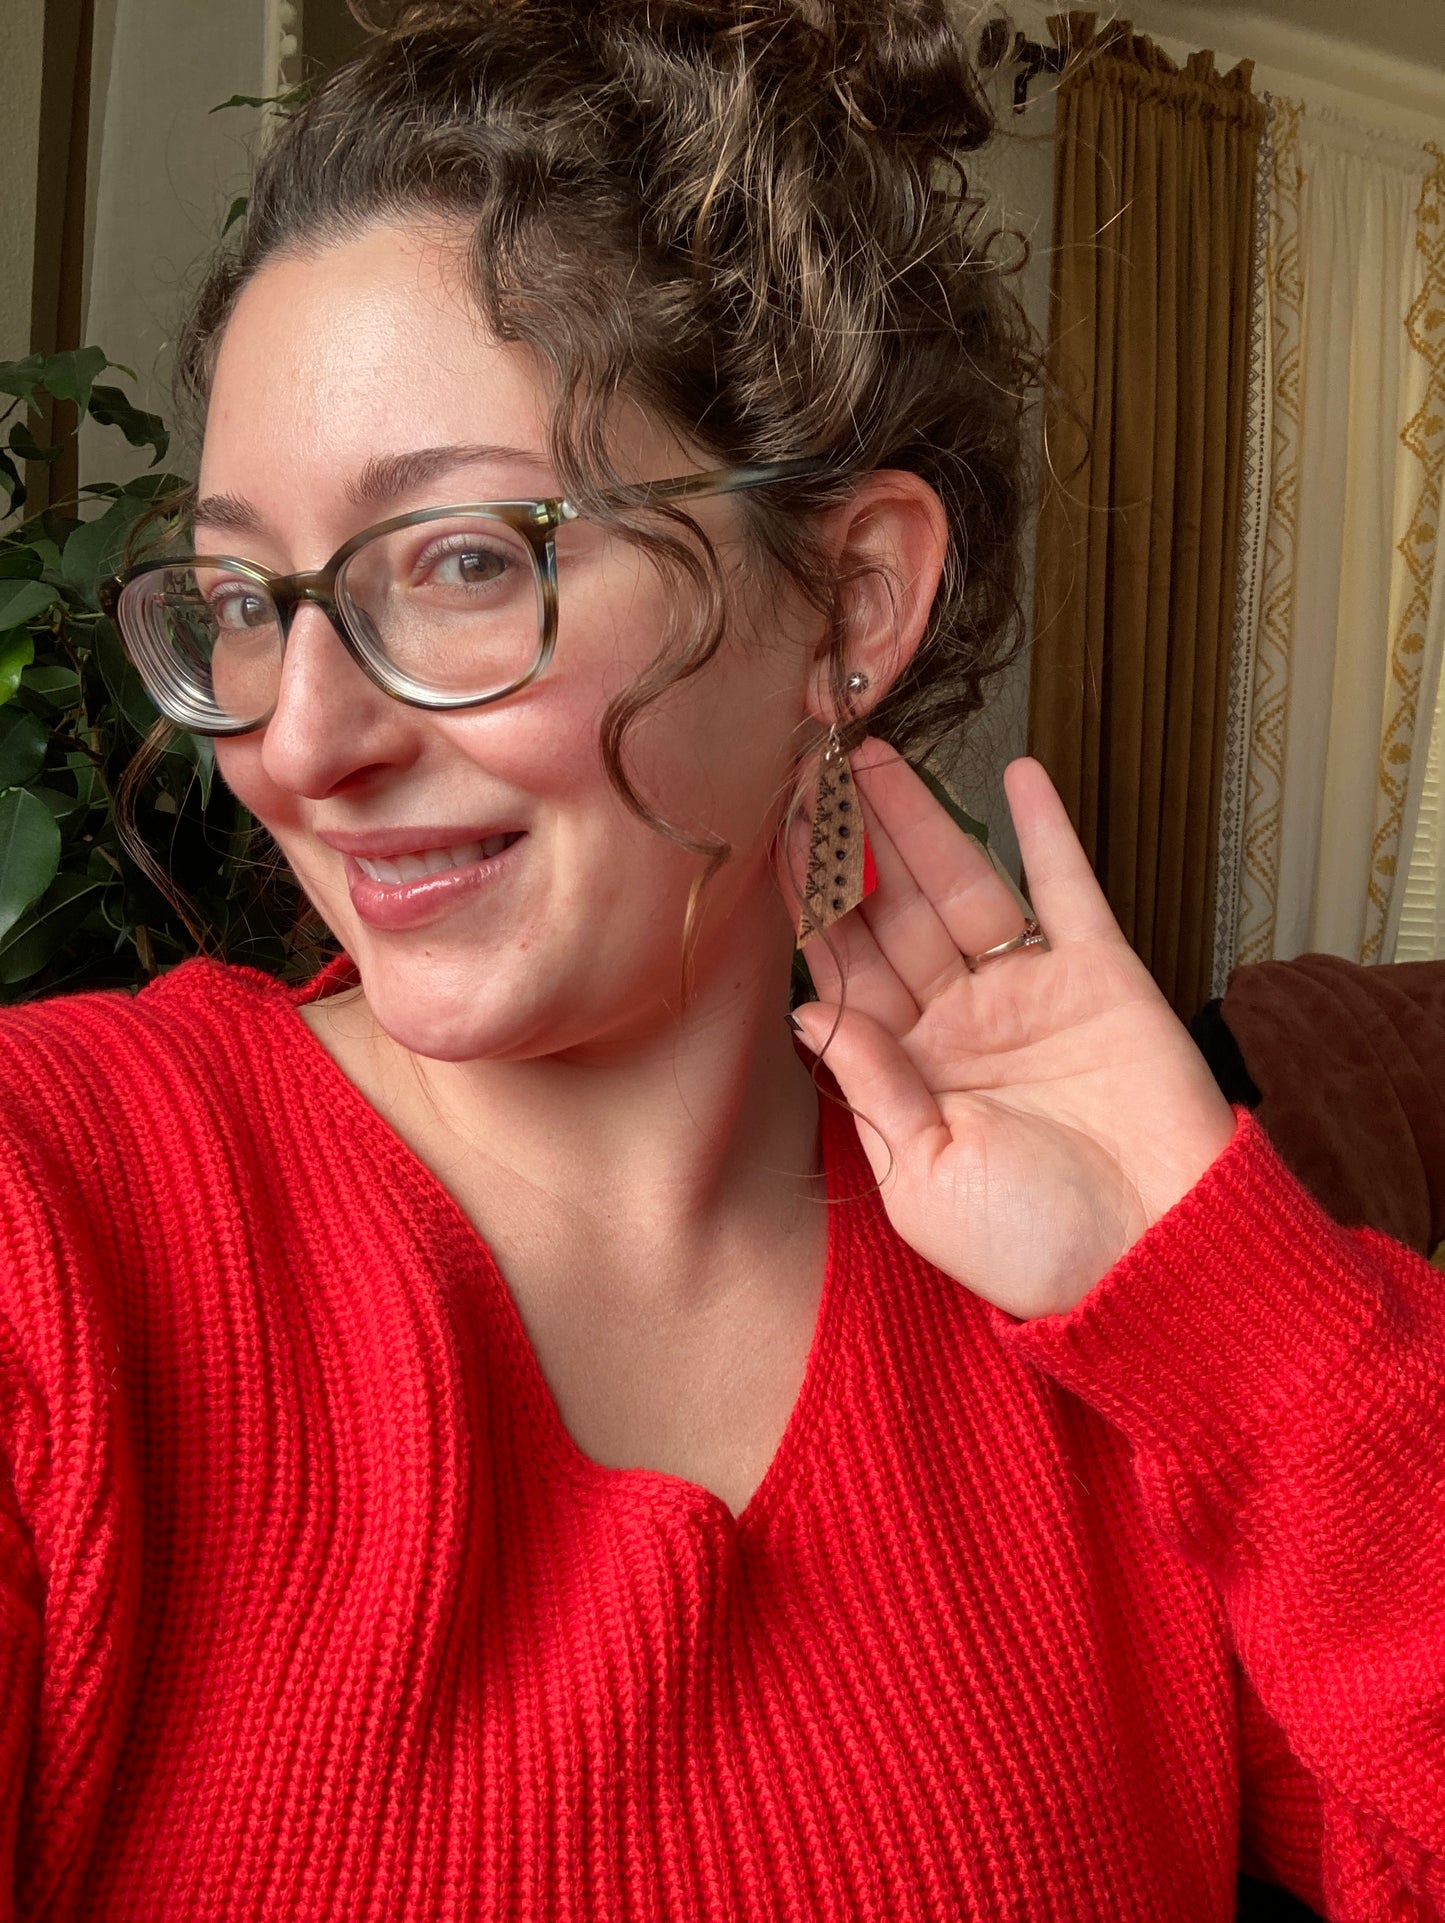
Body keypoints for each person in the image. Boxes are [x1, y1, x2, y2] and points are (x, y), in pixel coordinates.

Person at [1, 2, 1440, 1917]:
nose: (298, 742)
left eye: (458, 560)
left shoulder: (1104, 1336)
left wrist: (1232, 1330)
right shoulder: (54, 1230)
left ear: (847, 601)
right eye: (252, 598)